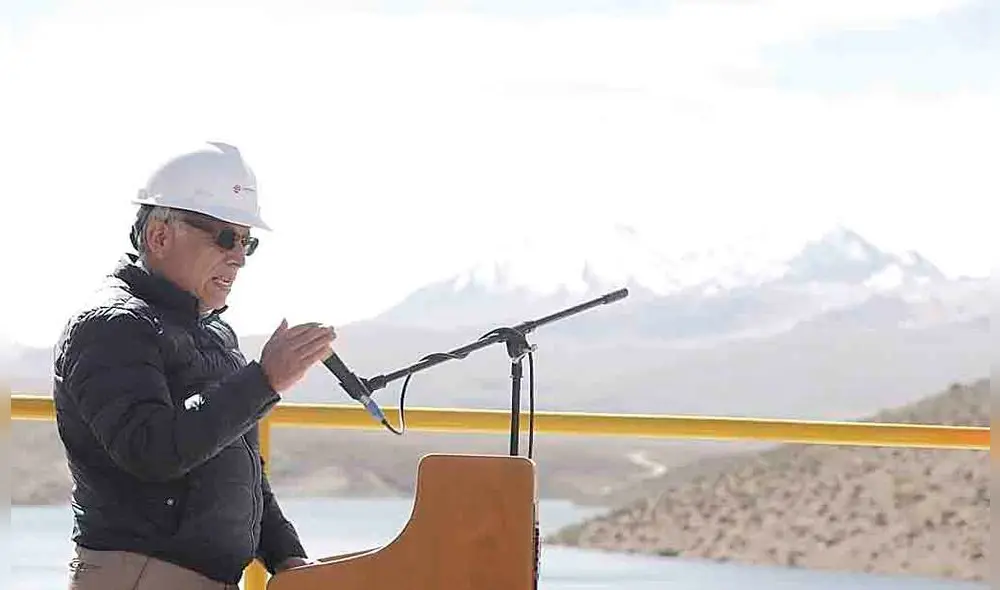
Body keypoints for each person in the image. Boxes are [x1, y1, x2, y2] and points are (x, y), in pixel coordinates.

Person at [52, 141, 336, 589]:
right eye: (225, 237)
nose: (239, 256)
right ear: (159, 236)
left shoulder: (214, 334)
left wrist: (287, 556)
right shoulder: (111, 328)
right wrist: (262, 380)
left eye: (247, 241)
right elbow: (151, 451)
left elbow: (239, 471)